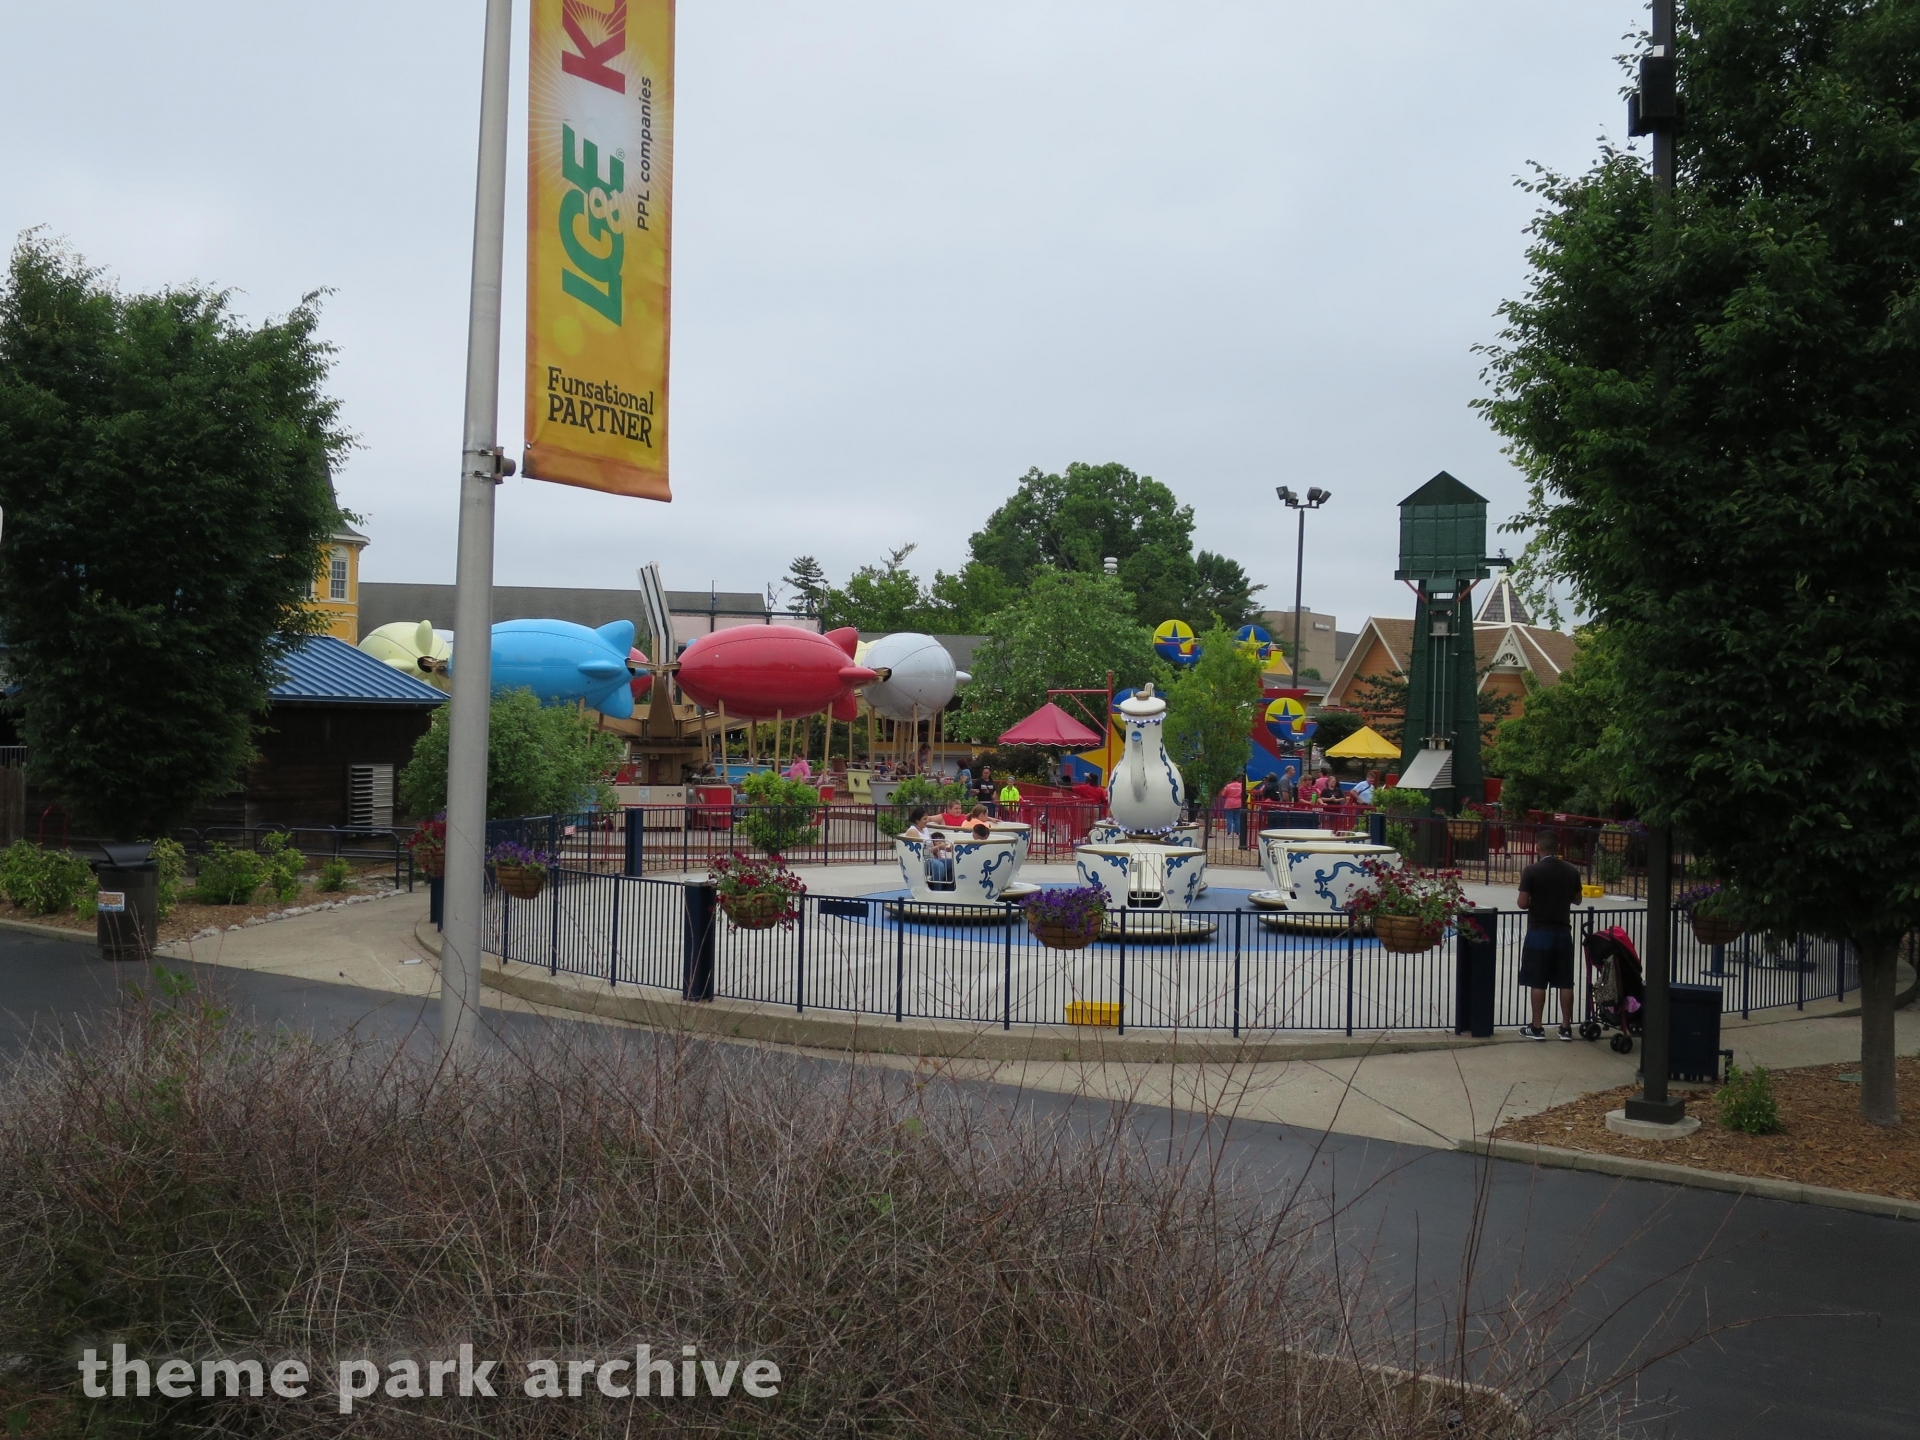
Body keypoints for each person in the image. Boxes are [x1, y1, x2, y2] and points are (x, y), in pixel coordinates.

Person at [1517, 828, 1585, 1040]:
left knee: (1538, 981)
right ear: (1559, 848)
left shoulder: (1531, 871)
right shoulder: (1571, 870)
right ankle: (1565, 1027)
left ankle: (1537, 1027)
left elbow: (1522, 903)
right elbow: (1578, 899)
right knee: (1565, 981)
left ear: (1538, 848)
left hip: (1539, 931)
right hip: (1563, 931)